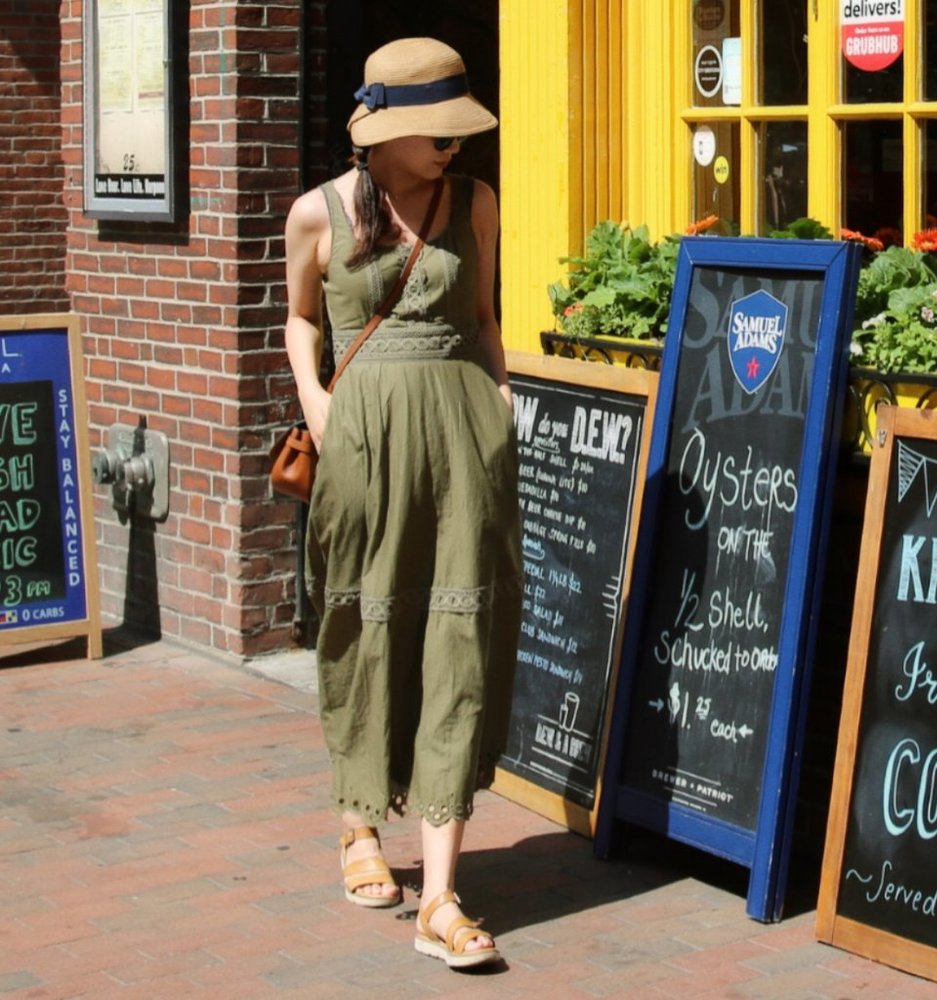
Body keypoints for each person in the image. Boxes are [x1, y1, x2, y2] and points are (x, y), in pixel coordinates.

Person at [281, 37, 522, 970]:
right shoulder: (319, 214)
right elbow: (302, 316)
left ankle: (444, 892)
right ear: (382, 134)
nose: (452, 147)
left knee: (458, 638)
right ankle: (356, 823)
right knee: (365, 627)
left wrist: (501, 404)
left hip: (464, 445)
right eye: (435, 131)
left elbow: (487, 315)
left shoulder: (478, 203)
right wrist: (319, 404)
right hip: (364, 445)